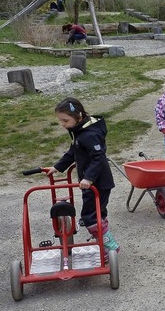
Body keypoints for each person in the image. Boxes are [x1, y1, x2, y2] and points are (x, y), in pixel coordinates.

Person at [45, 97, 119, 260]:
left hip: (97, 183)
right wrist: (58, 167)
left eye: (66, 120)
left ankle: (110, 247)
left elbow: (99, 157)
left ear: (78, 116)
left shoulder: (89, 134)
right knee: (98, 214)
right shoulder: (79, 132)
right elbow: (73, 152)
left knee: (90, 217)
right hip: (92, 183)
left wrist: (89, 178)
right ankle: (102, 238)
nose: (63, 124)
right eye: (60, 121)